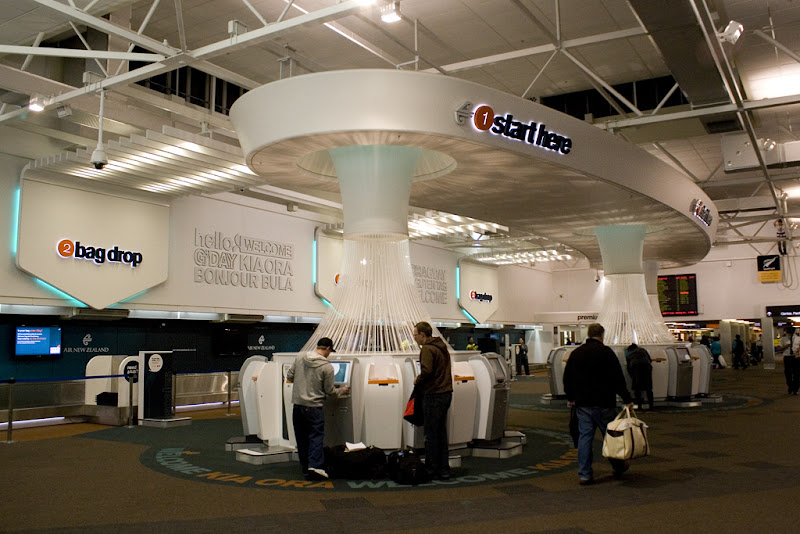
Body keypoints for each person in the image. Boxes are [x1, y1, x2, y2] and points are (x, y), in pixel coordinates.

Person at [563, 323, 633, 485]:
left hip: (583, 403)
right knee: (611, 437)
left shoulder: (577, 353)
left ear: (588, 334)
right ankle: (618, 466)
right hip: (605, 402)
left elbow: (567, 378)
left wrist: (571, 396)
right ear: (602, 335)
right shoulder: (607, 352)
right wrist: (627, 399)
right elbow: (617, 378)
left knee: (585, 438)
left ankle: (585, 474)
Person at [286, 337, 349, 480]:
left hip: (298, 406)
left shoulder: (300, 357)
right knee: (316, 437)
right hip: (314, 407)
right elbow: (330, 391)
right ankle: (315, 467)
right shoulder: (327, 367)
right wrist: (342, 390)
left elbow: (290, 376)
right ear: (328, 349)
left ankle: (305, 467)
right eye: (330, 352)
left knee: (301, 438)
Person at [413, 321, 453, 480]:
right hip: (446, 393)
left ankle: (431, 469)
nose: (414, 338)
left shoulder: (427, 349)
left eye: (415, 334)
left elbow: (427, 371)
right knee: (441, 433)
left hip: (433, 395)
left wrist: (418, 379)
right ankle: (444, 469)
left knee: (430, 434)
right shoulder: (442, 347)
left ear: (422, 334)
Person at [625, 343, 654, 410]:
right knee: (648, 388)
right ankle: (651, 406)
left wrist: (631, 376)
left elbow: (628, 366)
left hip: (635, 368)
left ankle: (639, 406)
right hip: (646, 368)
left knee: (637, 388)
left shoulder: (629, 355)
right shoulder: (643, 350)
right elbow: (650, 360)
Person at [779, 325, 799, 395]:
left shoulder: (798, 338)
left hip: (796, 357)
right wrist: (786, 346)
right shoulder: (783, 339)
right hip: (787, 357)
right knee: (788, 373)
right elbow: (780, 348)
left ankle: (795, 389)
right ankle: (790, 386)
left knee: (796, 373)